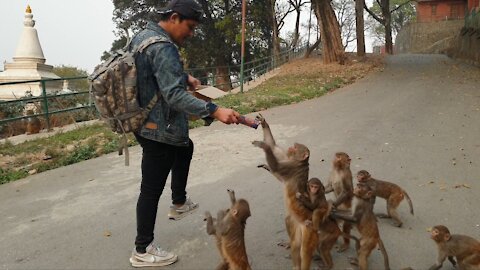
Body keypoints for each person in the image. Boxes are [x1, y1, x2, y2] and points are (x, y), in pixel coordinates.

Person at [128, 0, 241, 267]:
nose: (190, 34)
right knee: (151, 188)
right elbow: (175, 96)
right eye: (189, 28)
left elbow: (151, 73)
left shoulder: (144, 36)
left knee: (185, 147)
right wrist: (214, 110)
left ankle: (178, 201)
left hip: (142, 119)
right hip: (157, 127)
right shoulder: (164, 47)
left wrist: (184, 76)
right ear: (175, 18)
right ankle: (142, 249)